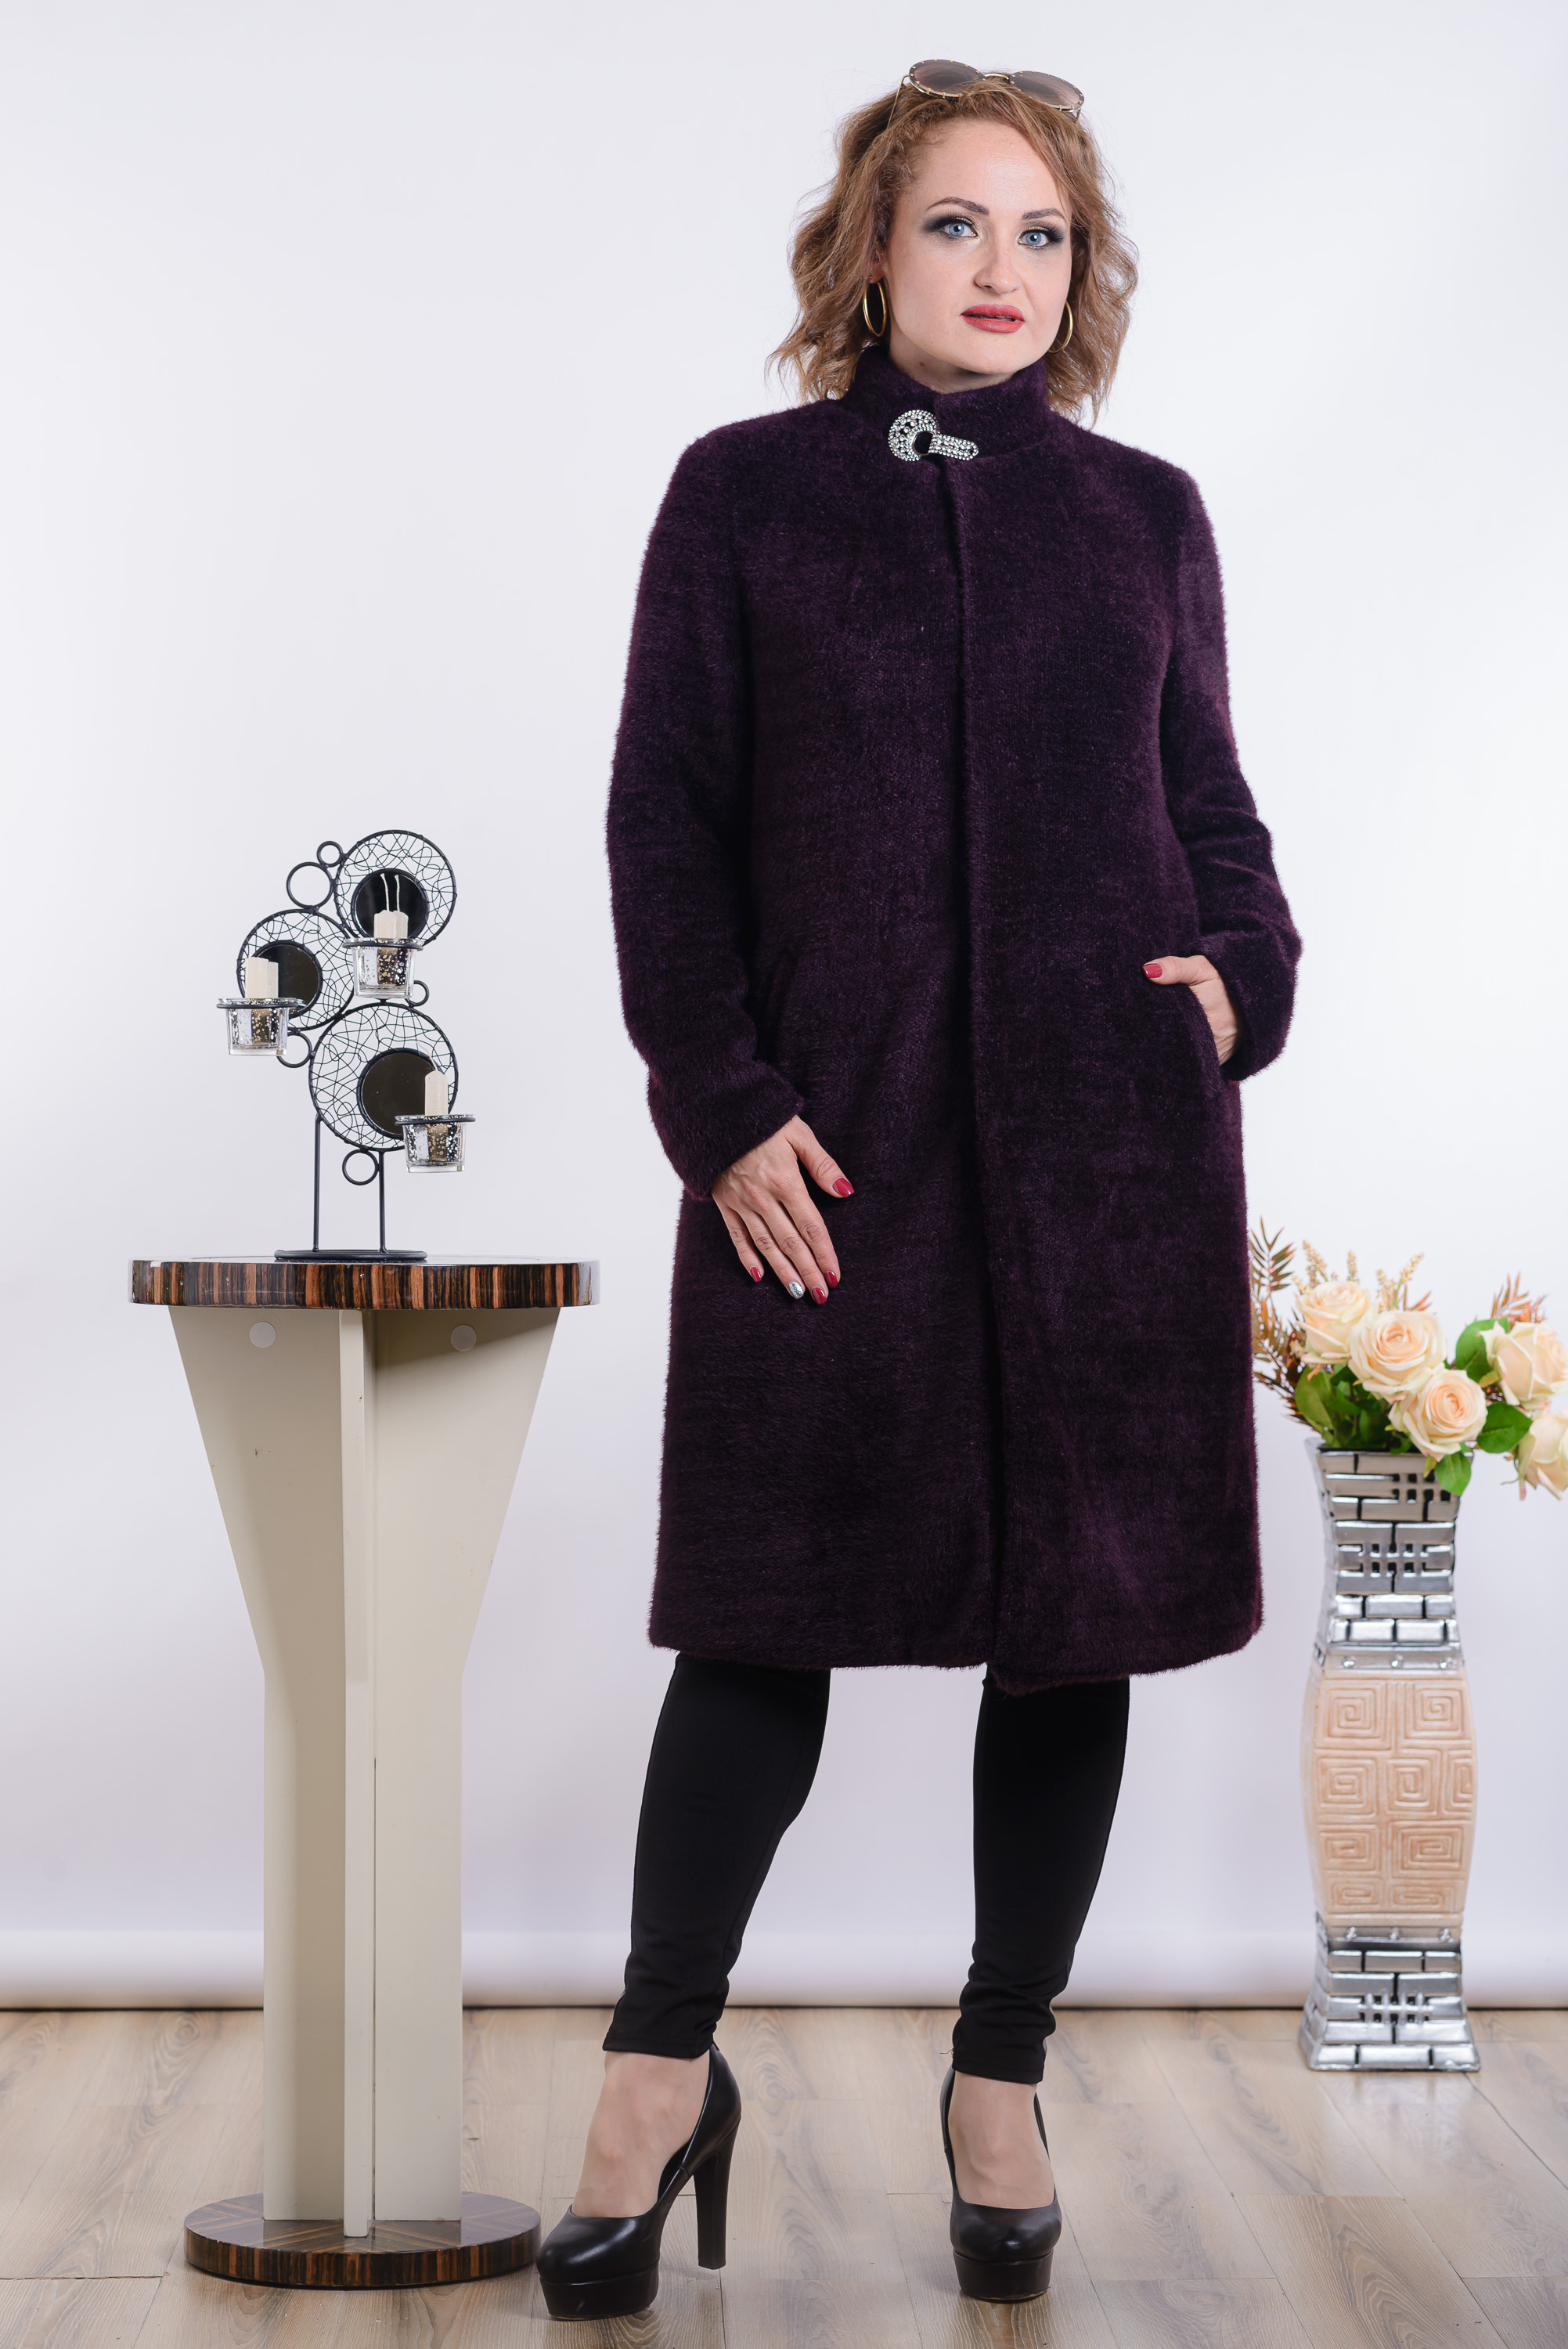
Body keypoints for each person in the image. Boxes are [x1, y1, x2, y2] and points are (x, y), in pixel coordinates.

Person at [536, 60, 1299, 2321]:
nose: (1000, 269)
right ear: (871, 249)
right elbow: (662, 821)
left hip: (1101, 1161)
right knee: (755, 1619)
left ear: (1082, 273)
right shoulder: (745, 497)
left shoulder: (1144, 514)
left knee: (1071, 1623)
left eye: (1041, 234)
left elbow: (1215, 809)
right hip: (831, 1152)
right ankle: (651, 2081)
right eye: (957, 224)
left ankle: (998, 2080)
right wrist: (720, 1100)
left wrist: (1237, 982)